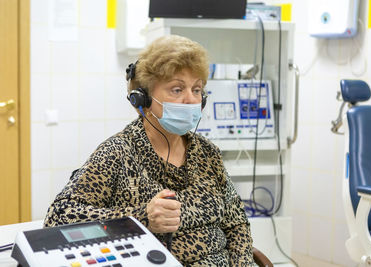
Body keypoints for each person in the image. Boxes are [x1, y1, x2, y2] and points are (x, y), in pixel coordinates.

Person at [44, 35, 254, 266]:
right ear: (142, 98)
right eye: (176, 89)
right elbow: (58, 217)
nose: (190, 100)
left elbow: (236, 224)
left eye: (196, 90)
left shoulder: (207, 153)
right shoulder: (118, 153)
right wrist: (142, 217)